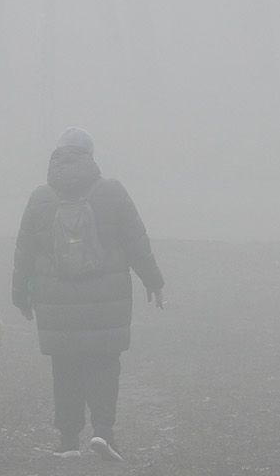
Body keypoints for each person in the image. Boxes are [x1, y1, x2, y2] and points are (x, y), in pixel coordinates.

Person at [12, 127, 165, 462]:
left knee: (65, 367)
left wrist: (20, 295)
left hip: (57, 303)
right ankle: (102, 433)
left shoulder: (41, 198)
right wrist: (154, 281)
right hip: (105, 301)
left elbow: (23, 251)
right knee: (104, 364)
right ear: (90, 156)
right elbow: (137, 242)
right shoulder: (112, 192)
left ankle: (68, 441)